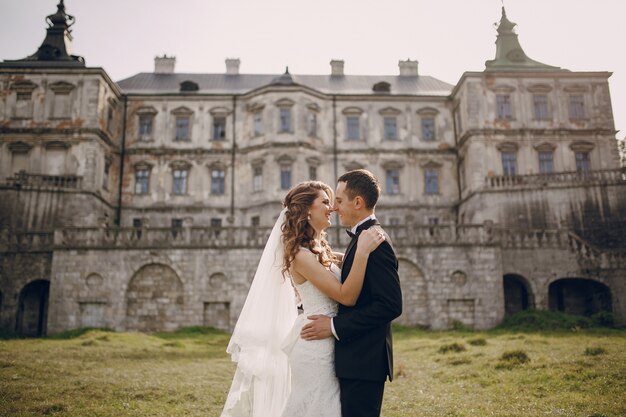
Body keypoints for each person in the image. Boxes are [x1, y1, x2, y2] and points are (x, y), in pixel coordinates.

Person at [221, 180, 385, 417]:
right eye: (326, 202)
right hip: (315, 347)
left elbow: (348, 263)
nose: (333, 208)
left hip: (331, 342)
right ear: (308, 209)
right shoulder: (300, 254)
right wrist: (362, 251)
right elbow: (345, 296)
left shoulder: (321, 249)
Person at [301, 169, 403, 417]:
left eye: (338, 200)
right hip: (355, 361)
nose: (334, 208)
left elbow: (390, 305)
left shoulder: (374, 242)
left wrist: (335, 326)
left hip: (364, 362)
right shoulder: (362, 239)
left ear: (357, 202)